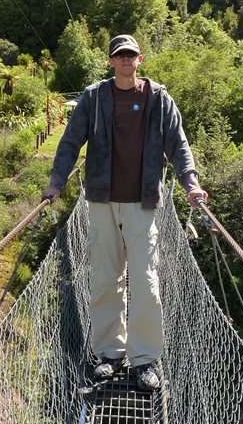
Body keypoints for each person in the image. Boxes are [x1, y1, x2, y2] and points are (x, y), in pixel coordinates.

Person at [41, 34, 208, 391]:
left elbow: (178, 144)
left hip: (143, 202)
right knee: (105, 278)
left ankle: (144, 359)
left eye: (131, 55)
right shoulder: (95, 97)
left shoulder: (159, 99)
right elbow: (71, 141)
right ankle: (110, 354)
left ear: (140, 59)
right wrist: (57, 182)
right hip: (101, 200)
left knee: (145, 281)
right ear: (111, 61)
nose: (126, 61)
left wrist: (191, 183)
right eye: (120, 56)